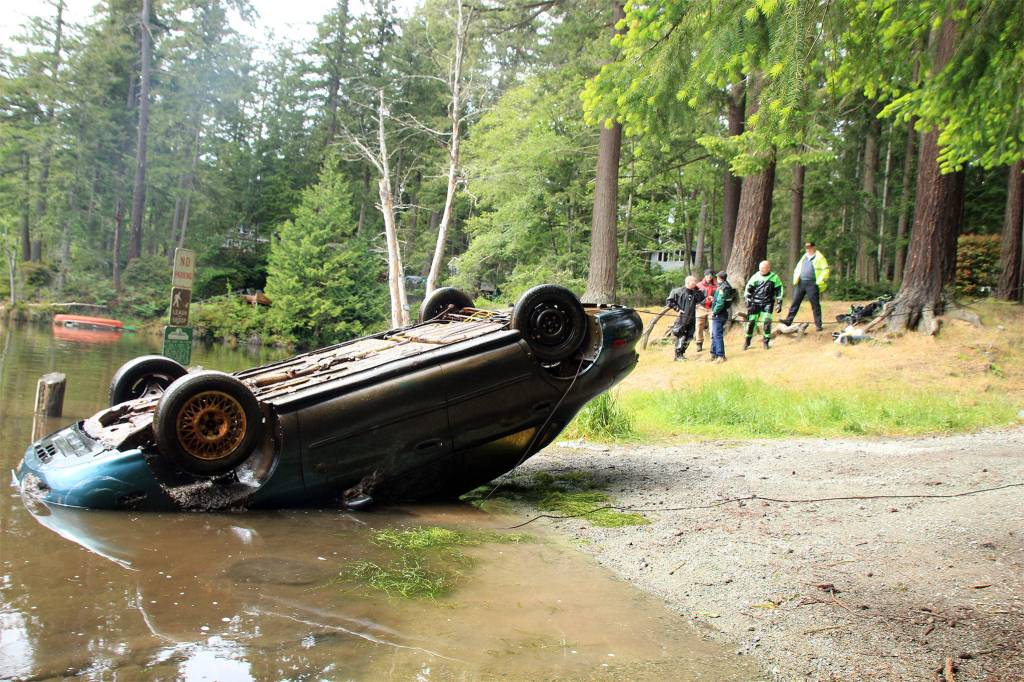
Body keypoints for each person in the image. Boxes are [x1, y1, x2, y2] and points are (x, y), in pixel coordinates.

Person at [782, 241, 830, 331]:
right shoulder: (804, 257)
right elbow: (798, 268)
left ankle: (818, 324)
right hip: (801, 283)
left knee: (815, 304)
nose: (808, 249)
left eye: (810, 248)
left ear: (814, 247)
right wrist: (796, 278)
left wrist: (819, 281)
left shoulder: (820, 257)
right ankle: (788, 321)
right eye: (807, 248)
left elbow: (826, 270)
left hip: (812, 283)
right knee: (795, 302)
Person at [744, 260, 784, 350]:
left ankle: (766, 342)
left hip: (768, 303)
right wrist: (747, 298)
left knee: (767, 322)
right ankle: (747, 341)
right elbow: (748, 288)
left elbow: (779, 290)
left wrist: (779, 303)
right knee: (751, 323)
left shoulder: (774, 277)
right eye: (760, 268)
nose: (761, 270)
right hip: (755, 302)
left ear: (768, 268)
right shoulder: (755, 277)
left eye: (763, 268)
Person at [666, 275, 704, 361]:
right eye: (694, 281)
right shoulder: (678, 291)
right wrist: (677, 309)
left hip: (692, 318)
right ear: (688, 282)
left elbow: (702, 300)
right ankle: (678, 355)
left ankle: (682, 353)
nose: (695, 283)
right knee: (680, 335)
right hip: (682, 318)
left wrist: (699, 291)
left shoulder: (696, 293)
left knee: (690, 336)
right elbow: (669, 302)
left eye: (695, 281)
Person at [709, 270, 734, 362]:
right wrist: (714, 299)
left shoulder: (723, 288)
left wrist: (714, 312)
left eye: (717, 277)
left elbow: (720, 303)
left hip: (719, 314)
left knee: (717, 335)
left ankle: (721, 355)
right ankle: (714, 354)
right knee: (714, 334)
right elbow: (721, 299)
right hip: (722, 313)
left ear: (719, 278)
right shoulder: (726, 286)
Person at [694, 269, 717, 352]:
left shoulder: (716, 285)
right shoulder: (699, 285)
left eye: (711, 276)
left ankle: (713, 344)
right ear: (705, 275)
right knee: (699, 326)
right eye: (708, 275)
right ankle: (699, 343)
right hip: (701, 308)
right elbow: (694, 296)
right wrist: (697, 303)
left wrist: (714, 299)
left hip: (712, 308)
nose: (709, 277)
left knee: (713, 326)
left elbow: (718, 296)